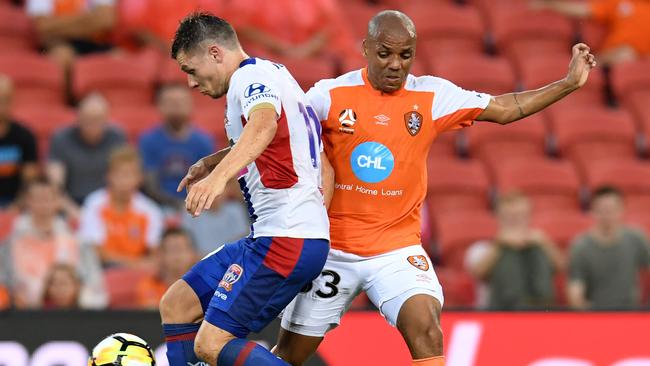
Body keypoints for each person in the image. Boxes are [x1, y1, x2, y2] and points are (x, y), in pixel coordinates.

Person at [273, 10, 596, 366]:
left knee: (427, 329)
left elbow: (505, 108)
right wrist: (217, 163)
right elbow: (276, 135)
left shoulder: (432, 95)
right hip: (332, 249)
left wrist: (567, 83)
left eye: (405, 55)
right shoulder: (329, 95)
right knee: (290, 355)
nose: (396, 64)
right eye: (385, 53)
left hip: (395, 250)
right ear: (365, 48)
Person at [159, 13, 329, 366]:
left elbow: (265, 124)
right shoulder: (274, 72)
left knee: (211, 344)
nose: (191, 84)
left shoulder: (247, 78)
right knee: (178, 303)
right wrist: (212, 161)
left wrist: (218, 178)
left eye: (191, 70)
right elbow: (284, 135)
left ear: (216, 53)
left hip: (286, 238)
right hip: (274, 236)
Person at [465, 192, 564, 310]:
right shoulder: (482, 248)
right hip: (499, 313)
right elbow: (477, 273)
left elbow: (562, 267)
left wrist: (544, 243)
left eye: (520, 216)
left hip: (540, 310)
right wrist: (499, 245)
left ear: (529, 216)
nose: (515, 221)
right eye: (509, 217)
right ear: (498, 217)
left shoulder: (540, 243)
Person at [78, 145, 163, 268]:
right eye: (120, 174)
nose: (125, 181)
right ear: (108, 176)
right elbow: (96, 251)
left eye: (130, 175)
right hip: (103, 270)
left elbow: (155, 254)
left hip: (139, 275)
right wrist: (134, 264)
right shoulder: (94, 203)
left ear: (140, 178)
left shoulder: (150, 210)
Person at [0, 177, 80, 309]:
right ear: (28, 201)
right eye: (38, 199)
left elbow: (85, 278)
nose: (43, 204)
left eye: (48, 198)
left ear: (58, 201)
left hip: (68, 310)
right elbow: (4, 278)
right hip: (22, 311)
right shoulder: (10, 242)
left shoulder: (73, 240)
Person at [568, 186, 650, 310]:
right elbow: (575, 293)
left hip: (631, 312)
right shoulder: (581, 246)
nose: (607, 215)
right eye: (601, 210)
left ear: (622, 210)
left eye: (611, 210)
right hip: (597, 315)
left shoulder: (636, 239)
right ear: (592, 211)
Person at [139, 83, 214, 210]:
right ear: (160, 106)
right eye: (170, 102)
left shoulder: (203, 141)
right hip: (159, 206)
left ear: (191, 106)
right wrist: (176, 204)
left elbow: (207, 182)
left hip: (195, 205)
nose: (176, 107)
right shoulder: (149, 141)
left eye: (181, 102)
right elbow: (150, 186)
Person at [48, 93, 126, 205]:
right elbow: (56, 186)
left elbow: (123, 179)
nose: (92, 124)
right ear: (78, 117)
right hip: (71, 202)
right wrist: (74, 212)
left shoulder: (117, 137)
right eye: (88, 119)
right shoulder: (61, 138)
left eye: (98, 119)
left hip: (107, 202)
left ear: (107, 119)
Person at [532, 0, 650, 65]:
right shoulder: (619, 2)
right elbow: (583, 10)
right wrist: (548, 4)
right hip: (614, 57)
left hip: (643, 63)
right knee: (625, 55)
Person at [26, 0, 116, 69]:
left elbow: (105, 21)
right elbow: (42, 27)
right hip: (59, 42)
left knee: (119, 60)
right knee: (61, 57)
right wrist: (90, 20)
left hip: (95, 42)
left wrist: (57, 24)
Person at [135, 228, 198, 309]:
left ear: (193, 254)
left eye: (182, 249)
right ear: (161, 255)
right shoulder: (147, 286)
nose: (177, 255)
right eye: (172, 250)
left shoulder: (206, 288)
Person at [0, 75, 38, 208]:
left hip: (16, 204)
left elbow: (29, 181)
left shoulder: (24, 135)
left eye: (5, 100)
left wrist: (17, 206)